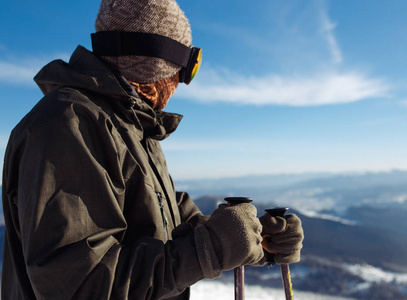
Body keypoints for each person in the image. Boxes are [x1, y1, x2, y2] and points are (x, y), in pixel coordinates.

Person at [1, 0, 304, 299]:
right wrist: (211, 248)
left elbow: (164, 216)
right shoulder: (68, 126)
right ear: (154, 71)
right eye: (185, 71)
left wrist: (252, 238)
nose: (182, 85)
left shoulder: (130, 125)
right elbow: (82, 285)